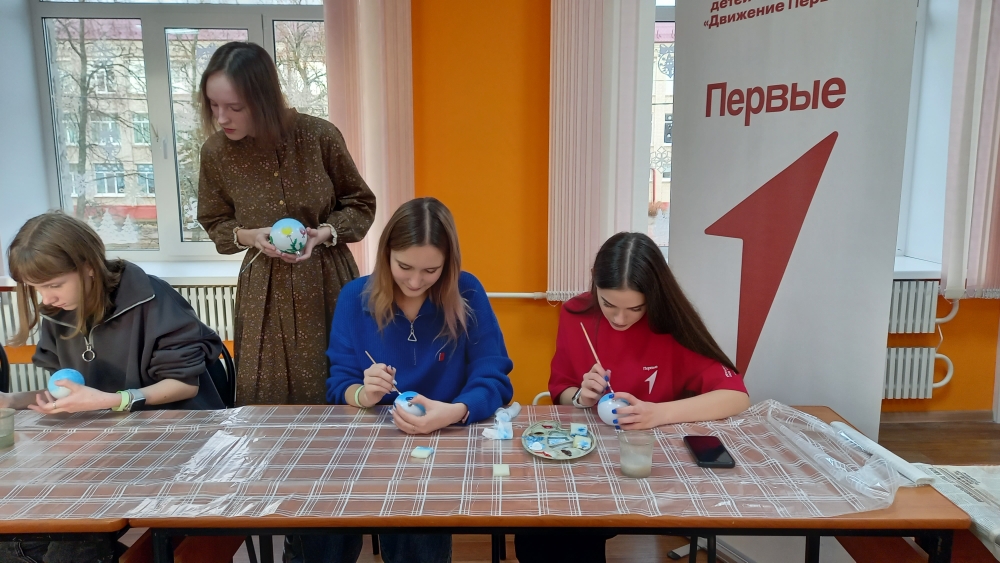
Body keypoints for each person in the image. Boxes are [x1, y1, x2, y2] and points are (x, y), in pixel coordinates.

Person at [0, 212, 226, 563]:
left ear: (88, 266)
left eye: (54, 285)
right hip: (104, 449)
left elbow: (183, 386)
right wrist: (10, 400)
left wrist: (113, 399)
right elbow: (70, 397)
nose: (47, 298)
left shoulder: (153, 298)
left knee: (68, 544)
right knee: (17, 543)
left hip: (174, 446)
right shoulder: (60, 312)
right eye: (37, 288)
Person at [515, 231, 750, 563]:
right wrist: (582, 397)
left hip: (651, 460)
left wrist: (656, 413)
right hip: (591, 458)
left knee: (572, 531)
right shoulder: (576, 313)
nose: (619, 319)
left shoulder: (670, 324)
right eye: (608, 304)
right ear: (594, 282)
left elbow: (736, 396)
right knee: (541, 530)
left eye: (635, 308)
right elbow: (562, 391)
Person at [305, 197, 514, 563]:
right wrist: (364, 394)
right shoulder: (354, 297)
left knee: (416, 527)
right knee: (323, 526)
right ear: (386, 254)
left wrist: (454, 412)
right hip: (372, 444)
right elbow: (339, 384)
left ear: (448, 264)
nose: (416, 282)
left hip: (445, 440)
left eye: (431, 270)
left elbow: (494, 375)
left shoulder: (467, 291)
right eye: (404, 267)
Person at [197, 41, 376, 406]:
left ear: (264, 99)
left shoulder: (319, 136)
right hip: (263, 288)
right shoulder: (216, 153)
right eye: (213, 105)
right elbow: (214, 220)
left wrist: (324, 233)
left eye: (235, 107)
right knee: (266, 391)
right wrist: (249, 236)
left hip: (326, 281)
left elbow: (361, 204)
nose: (222, 118)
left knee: (339, 380)